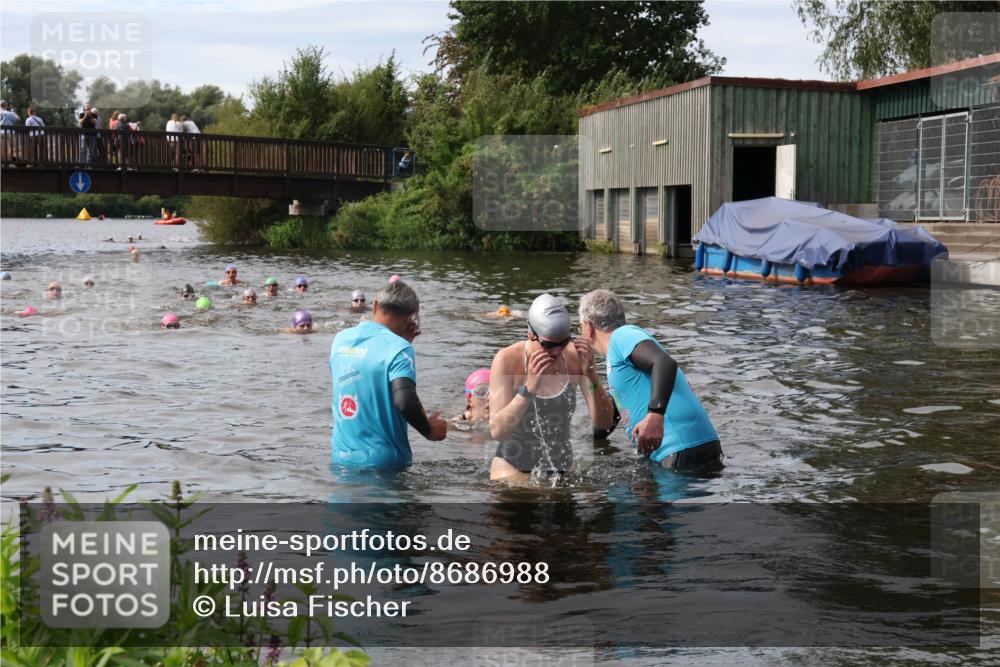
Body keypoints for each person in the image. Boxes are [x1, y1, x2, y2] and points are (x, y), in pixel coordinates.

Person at [577, 289, 723, 473]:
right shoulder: (619, 363)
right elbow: (605, 427)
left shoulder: (622, 336)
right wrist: (589, 373)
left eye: (579, 327)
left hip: (679, 450)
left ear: (588, 327)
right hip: (694, 449)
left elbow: (664, 363)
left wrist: (655, 415)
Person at [488, 294, 617, 482]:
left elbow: (605, 423)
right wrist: (528, 389)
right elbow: (497, 431)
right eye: (548, 345)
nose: (557, 351)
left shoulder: (574, 357)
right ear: (530, 334)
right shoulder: (508, 360)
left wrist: (590, 373)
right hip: (512, 472)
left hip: (562, 471)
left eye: (563, 342)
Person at [329, 280, 447, 470]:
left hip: (341, 459)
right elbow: (404, 400)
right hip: (385, 465)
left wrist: (401, 341)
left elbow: (365, 380)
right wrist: (429, 430)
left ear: (375, 305)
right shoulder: (400, 349)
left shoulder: (340, 340)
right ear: (410, 318)